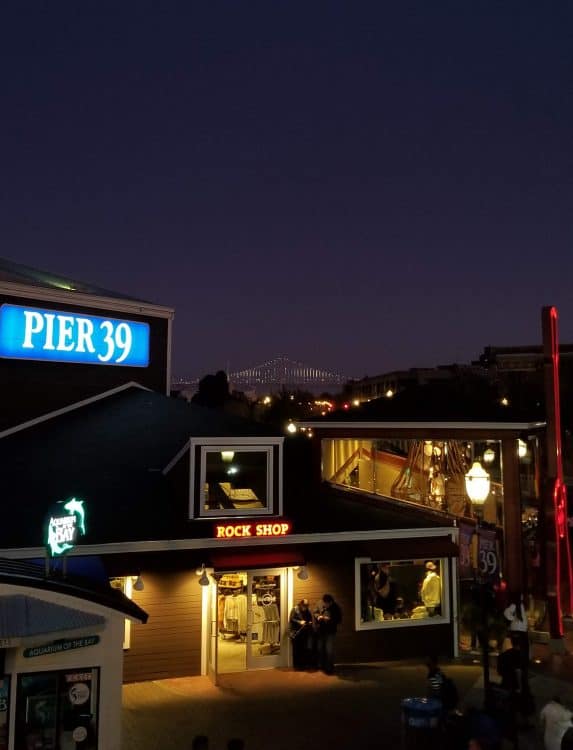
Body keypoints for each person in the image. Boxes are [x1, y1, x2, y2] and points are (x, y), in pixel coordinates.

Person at [503, 592, 529, 684]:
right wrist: (513, 619)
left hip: (521, 631)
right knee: (518, 650)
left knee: (522, 650)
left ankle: (519, 667)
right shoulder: (515, 605)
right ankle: (517, 668)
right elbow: (506, 613)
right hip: (517, 631)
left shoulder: (521, 605)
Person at [314, 593, 342, 674]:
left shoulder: (336, 608)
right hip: (321, 631)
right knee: (320, 648)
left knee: (329, 650)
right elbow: (315, 611)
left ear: (331, 602)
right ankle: (322, 665)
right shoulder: (320, 603)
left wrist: (329, 619)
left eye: (327, 604)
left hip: (330, 631)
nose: (325, 605)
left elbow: (339, 620)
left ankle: (329, 668)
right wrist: (318, 616)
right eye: (324, 603)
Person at [289, 598, 313, 669]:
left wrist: (310, 622)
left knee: (303, 649)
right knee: (296, 649)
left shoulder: (307, 610)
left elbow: (310, 619)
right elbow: (291, 619)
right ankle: (297, 666)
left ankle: (303, 665)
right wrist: (299, 622)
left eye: (306, 606)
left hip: (304, 632)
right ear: (301, 604)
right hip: (296, 632)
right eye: (304, 606)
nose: (305, 608)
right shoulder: (295, 609)